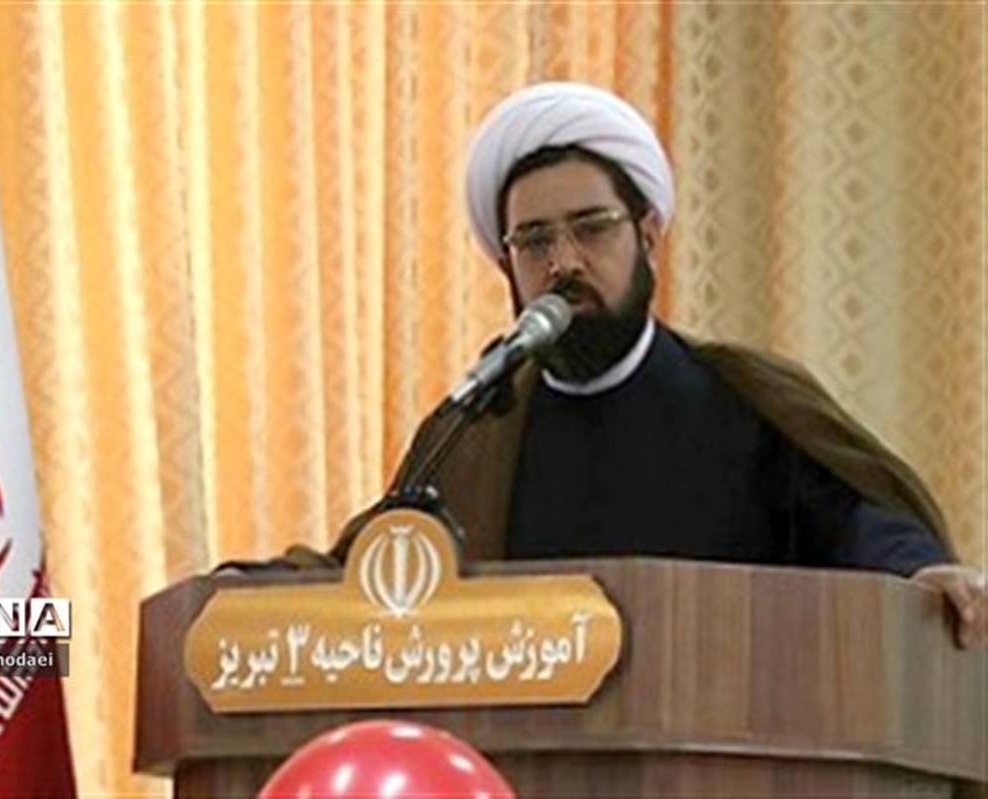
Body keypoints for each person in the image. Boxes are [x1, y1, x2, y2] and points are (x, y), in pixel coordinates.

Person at [227, 82, 987, 649]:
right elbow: (375, 564)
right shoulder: (480, 426)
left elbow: (862, 525)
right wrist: (241, 595)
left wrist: (920, 574)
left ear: (647, 234)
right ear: (506, 265)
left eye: (590, 228)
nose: (563, 262)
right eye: (534, 241)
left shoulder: (742, 401)